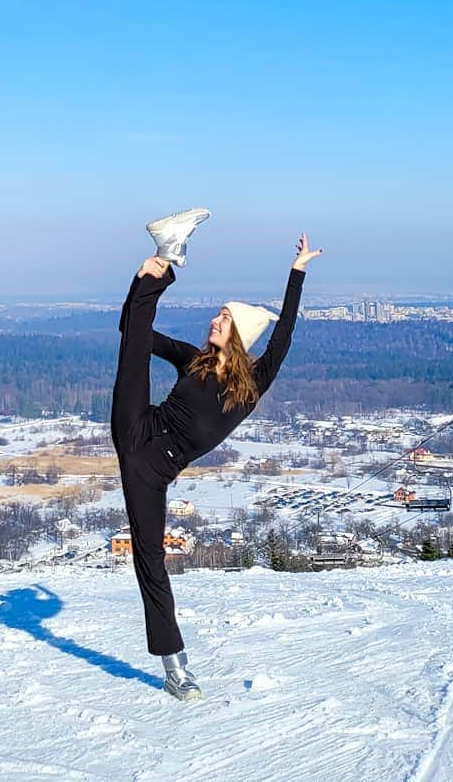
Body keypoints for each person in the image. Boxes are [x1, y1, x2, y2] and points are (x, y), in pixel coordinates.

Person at [112, 207, 321, 700]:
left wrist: (297, 273)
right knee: (134, 342)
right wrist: (142, 289)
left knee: (150, 560)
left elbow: (284, 335)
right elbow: (133, 332)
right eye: (218, 314)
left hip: (149, 470)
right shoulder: (193, 360)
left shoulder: (250, 387)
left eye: (224, 319)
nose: (214, 319)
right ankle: (165, 258)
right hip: (136, 426)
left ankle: (175, 668)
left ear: (240, 337)